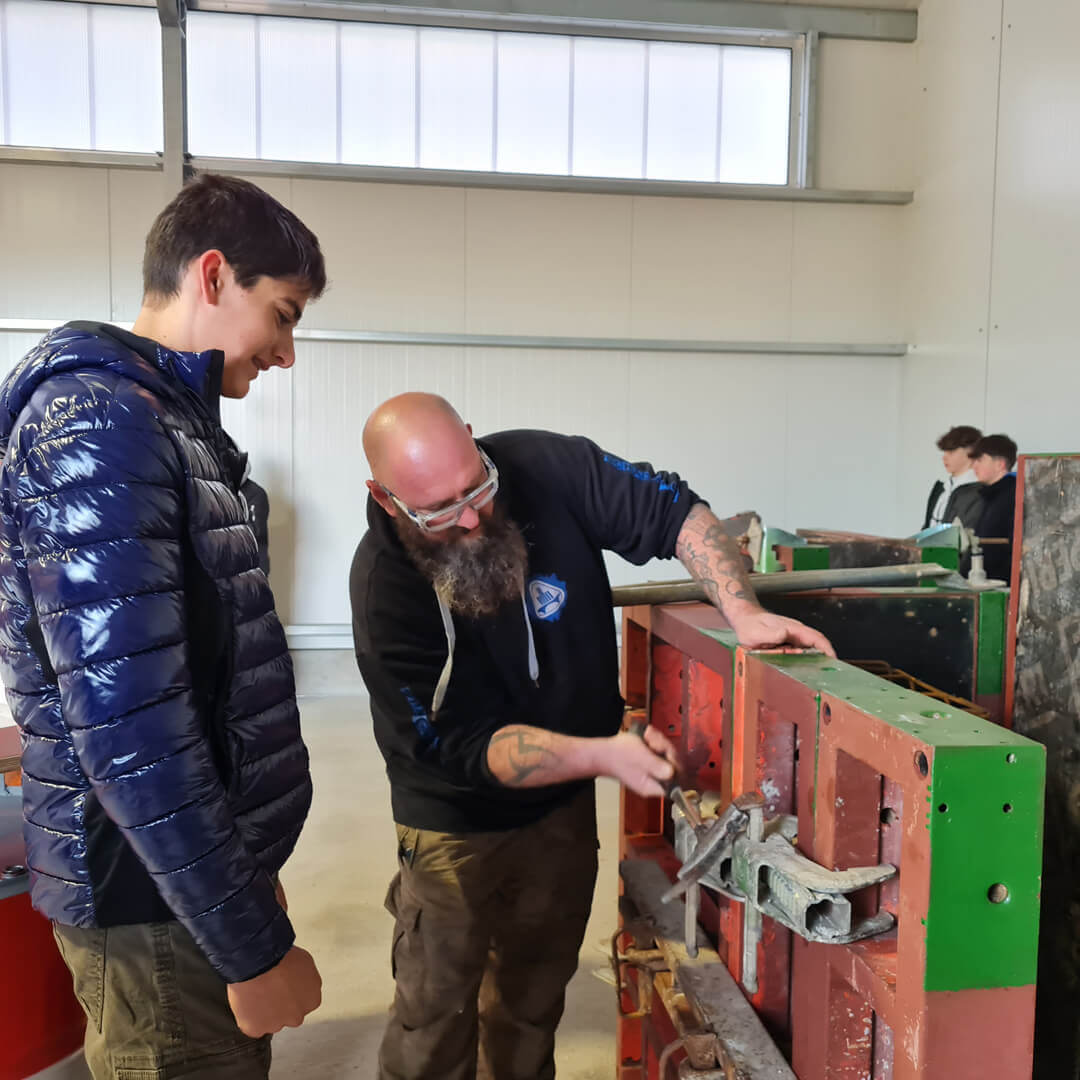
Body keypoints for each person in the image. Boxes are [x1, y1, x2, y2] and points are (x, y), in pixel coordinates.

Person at [349, 393, 835, 1080]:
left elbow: (675, 511)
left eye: (476, 487)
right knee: (436, 1014)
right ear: (385, 496)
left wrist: (742, 609)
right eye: (438, 511)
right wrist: (604, 753)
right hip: (452, 826)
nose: (470, 517)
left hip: (561, 811)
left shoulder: (550, 466)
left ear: (470, 435)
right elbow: (459, 747)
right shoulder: (383, 590)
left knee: (531, 1003)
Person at [0, 174, 326, 1079]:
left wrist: (248, 875)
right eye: (285, 314)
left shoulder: (161, 420)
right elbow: (133, 730)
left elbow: (206, 682)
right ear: (213, 276)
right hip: (149, 896)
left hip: (186, 881)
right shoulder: (99, 424)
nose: (286, 352)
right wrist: (248, 942)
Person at [967, 433, 1019, 582]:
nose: (974, 465)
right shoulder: (989, 496)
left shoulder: (1012, 496)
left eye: (980, 459)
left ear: (1000, 464)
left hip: (999, 585)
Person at [923, 424, 982, 530]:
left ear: (970, 451)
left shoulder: (978, 492)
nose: (944, 457)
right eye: (944, 452)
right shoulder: (942, 488)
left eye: (951, 451)